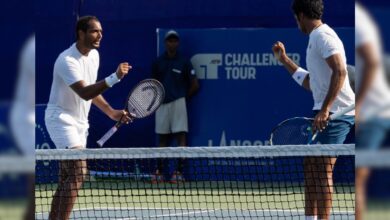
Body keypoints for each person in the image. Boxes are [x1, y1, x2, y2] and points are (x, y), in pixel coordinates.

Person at [271, 0, 355, 219]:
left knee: (322, 169)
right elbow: (310, 82)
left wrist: (326, 110)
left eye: (295, 18)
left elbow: (340, 71)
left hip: (337, 115)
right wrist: (284, 60)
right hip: (325, 112)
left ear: (300, 15)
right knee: (311, 167)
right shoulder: (314, 39)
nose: (295, 22)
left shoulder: (322, 36)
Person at [45, 16, 133, 220]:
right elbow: (84, 93)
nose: (100, 35)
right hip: (61, 119)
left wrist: (111, 111)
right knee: (78, 172)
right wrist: (114, 78)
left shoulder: (94, 56)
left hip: (81, 124)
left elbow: (92, 91)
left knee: (67, 178)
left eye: (101, 31)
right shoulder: (66, 60)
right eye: (94, 31)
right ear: (81, 33)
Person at [355, 3, 390, 220]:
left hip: (374, 113)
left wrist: (358, 106)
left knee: (357, 175)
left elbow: (372, 61)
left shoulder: (358, 17)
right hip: (376, 112)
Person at [151, 30, 199, 183]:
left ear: (178, 43)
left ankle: (178, 172)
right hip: (161, 105)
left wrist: (182, 97)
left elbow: (195, 84)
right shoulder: (158, 62)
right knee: (162, 139)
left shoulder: (184, 62)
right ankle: (159, 172)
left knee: (181, 138)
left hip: (179, 103)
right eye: (169, 40)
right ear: (165, 43)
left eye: (175, 40)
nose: (172, 43)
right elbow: (153, 85)